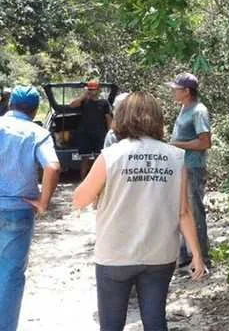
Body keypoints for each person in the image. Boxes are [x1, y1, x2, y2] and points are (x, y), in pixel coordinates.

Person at [72, 92, 206, 331]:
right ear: (157, 119)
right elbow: (183, 212)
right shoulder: (175, 156)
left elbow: (79, 200)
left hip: (115, 254)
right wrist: (196, 254)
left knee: (111, 325)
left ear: (121, 118)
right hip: (160, 254)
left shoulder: (111, 156)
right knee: (155, 321)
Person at [0, 85, 61, 331]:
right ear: (35, 109)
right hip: (19, 209)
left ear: (9, 103)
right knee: (10, 276)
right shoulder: (37, 133)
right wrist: (43, 203)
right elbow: (53, 167)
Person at [168, 73, 212, 268]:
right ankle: (187, 254)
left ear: (187, 91)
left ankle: (202, 257)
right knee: (183, 210)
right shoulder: (184, 109)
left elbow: (205, 142)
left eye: (176, 89)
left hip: (193, 167)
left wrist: (174, 144)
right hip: (182, 167)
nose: (173, 92)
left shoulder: (198, 111)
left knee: (194, 211)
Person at [70, 80, 112, 179]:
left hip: (99, 134)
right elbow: (72, 105)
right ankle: (83, 181)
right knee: (85, 159)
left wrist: (110, 133)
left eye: (94, 89)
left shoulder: (104, 103)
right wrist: (84, 95)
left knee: (99, 159)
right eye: (90, 89)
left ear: (98, 90)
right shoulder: (84, 101)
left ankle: (98, 181)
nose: (92, 91)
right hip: (85, 134)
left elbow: (108, 119)